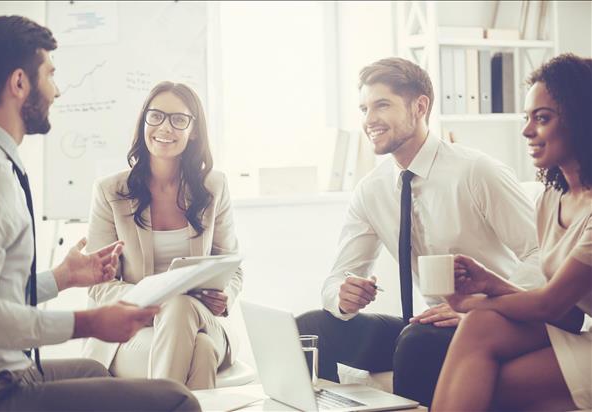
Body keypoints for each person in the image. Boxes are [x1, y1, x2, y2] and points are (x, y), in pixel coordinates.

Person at [0, 15, 199, 412]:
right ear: (20, 83)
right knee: (177, 401)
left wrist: (63, 278)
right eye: (50, 75)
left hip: (8, 373)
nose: (57, 91)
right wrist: (87, 322)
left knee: (95, 370)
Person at [296, 57, 548, 406]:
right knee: (310, 327)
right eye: (364, 108)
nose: (369, 120)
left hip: (495, 319)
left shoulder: (476, 171)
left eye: (382, 105)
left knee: (417, 339)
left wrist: (481, 308)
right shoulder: (372, 190)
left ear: (420, 106)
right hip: (430, 321)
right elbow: (337, 277)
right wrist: (342, 295)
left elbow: (542, 254)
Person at [432, 53, 592, 412]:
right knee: (481, 325)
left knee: (487, 383)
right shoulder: (552, 199)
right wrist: (489, 286)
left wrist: (471, 299)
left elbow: (551, 304)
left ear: (582, 119)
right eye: (527, 118)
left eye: (543, 118)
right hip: (584, 333)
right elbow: (567, 313)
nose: (526, 130)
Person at [82, 81, 242, 390]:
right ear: (144, 121)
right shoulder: (110, 191)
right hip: (133, 329)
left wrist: (226, 297)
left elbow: (233, 266)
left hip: (202, 318)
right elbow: (98, 285)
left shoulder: (214, 187)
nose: (164, 127)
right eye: (155, 116)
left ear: (193, 130)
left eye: (178, 119)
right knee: (202, 352)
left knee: (180, 307)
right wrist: (151, 294)